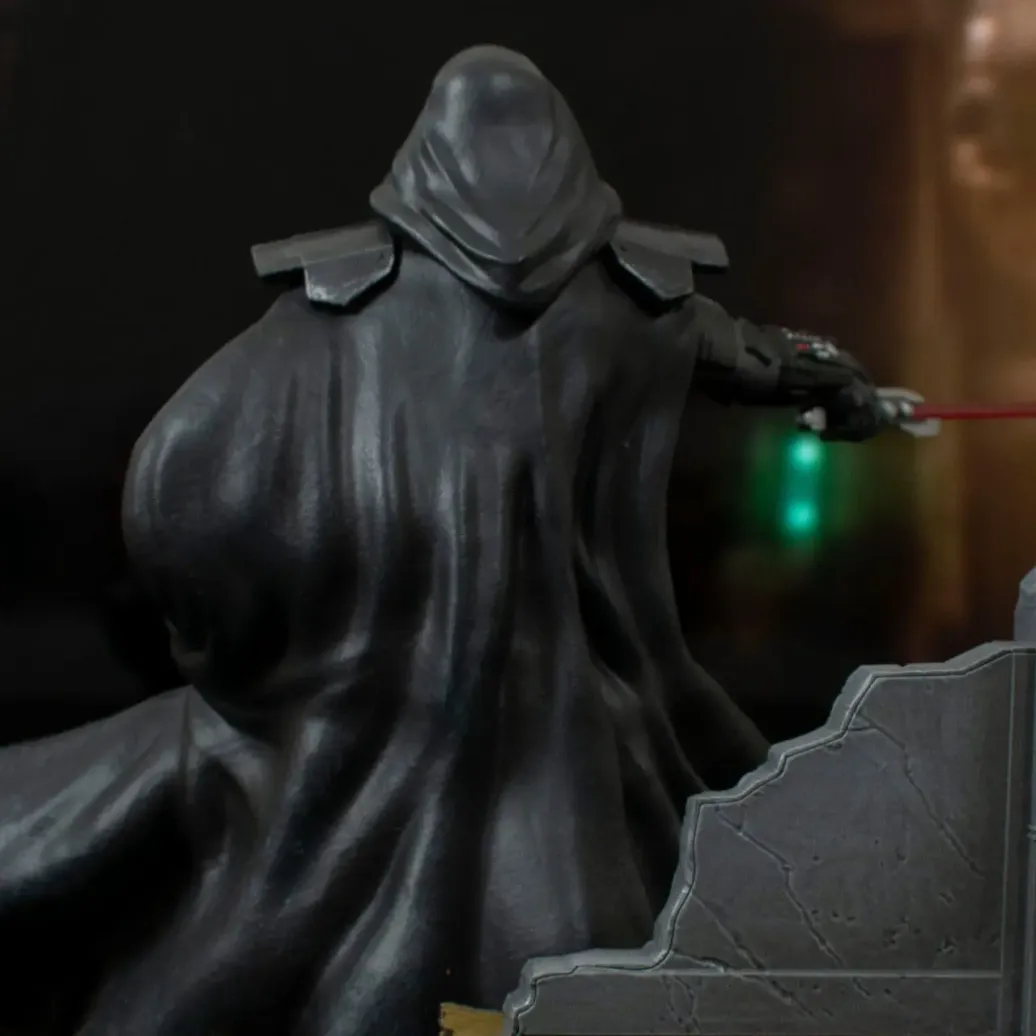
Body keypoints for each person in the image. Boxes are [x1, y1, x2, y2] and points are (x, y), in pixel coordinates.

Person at [0, 45, 885, 1036]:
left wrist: (225, 638)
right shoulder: (628, 304)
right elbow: (753, 354)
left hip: (476, 712)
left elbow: (181, 468)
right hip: (434, 709)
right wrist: (839, 386)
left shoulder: (350, 307)